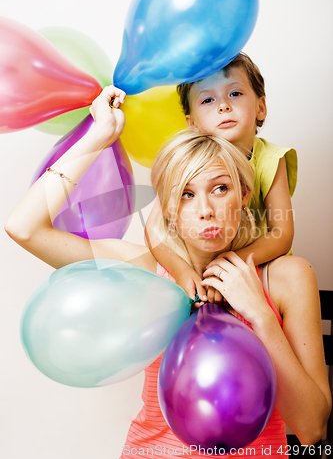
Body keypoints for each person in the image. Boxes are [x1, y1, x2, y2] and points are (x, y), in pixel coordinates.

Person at [5, 86, 331, 458]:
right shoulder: (145, 270)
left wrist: (259, 314)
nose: (206, 209)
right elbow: (24, 228)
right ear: (169, 209)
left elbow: (312, 428)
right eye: (186, 194)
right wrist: (100, 136)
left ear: (243, 194)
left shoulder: (288, 277)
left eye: (220, 188)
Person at [145, 53, 298, 302]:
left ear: (261, 107)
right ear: (192, 123)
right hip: (200, 272)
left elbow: (282, 234)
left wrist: (229, 266)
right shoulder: (187, 165)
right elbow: (153, 230)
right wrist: (181, 270)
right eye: (207, 99)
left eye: (235, 94)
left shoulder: (272, 159)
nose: (223, 106)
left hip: (255, 270)